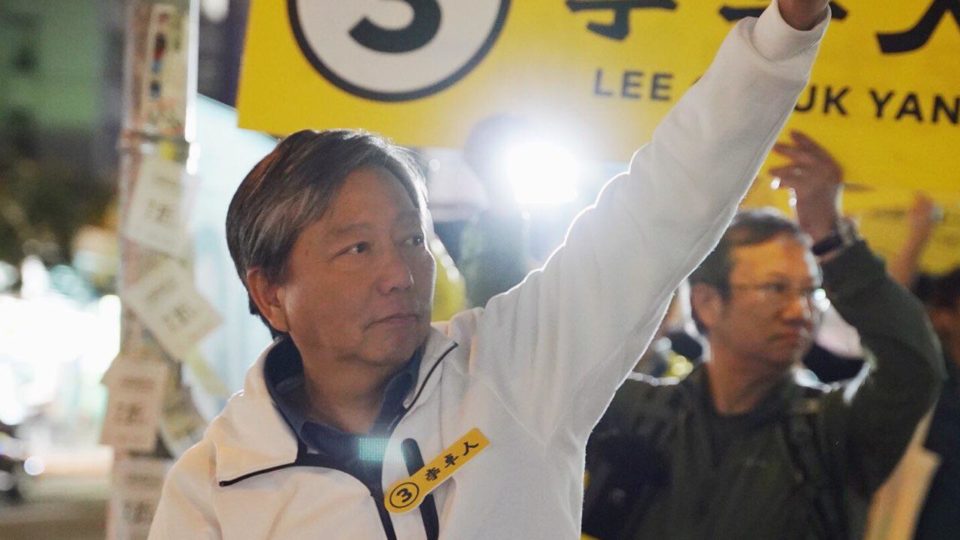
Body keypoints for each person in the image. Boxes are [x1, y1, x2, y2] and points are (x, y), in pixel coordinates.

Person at [148, 1, 832, 538]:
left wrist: (781, 38)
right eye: (357, 248)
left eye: (411, 238)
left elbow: (665, 205)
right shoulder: (214, 487)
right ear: (271, 292)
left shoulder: (512, 365)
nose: (400, 273)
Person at [582, 144, 942, 538]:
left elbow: (913, 368)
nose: (799, 311)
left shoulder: (831, 432)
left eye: (809, 292)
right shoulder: (635, 415)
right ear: (707, 303)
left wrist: (831, 241)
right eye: (776, 289)